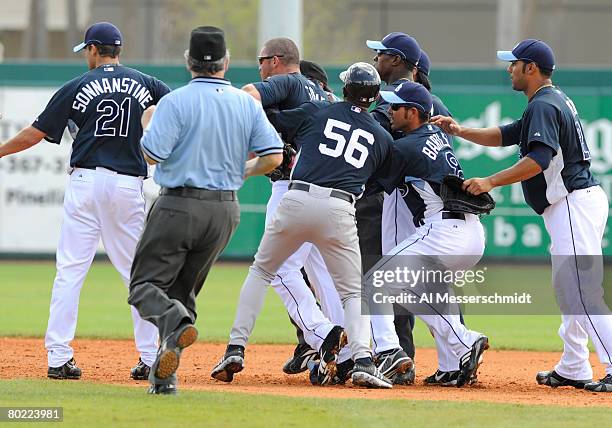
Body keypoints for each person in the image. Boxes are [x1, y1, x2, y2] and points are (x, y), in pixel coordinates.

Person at [432, 38, 612, 393]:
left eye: (514, 63)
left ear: (531, 68)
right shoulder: (547, 101)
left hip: (573, 203)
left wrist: (490, 181)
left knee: (580, 289)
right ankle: (574, 365)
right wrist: (460, 129)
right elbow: (505, 135)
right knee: (568, 288)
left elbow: (538, 161)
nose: (509, 69)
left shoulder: (544, 105)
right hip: (573, 203)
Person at [0, 21, 169, 381]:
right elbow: (179, 111)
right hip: (127, 186)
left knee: (70, 272)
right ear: (118, 50)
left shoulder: (77, 85)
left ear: (93, 50)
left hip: (86, 182)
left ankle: (59, 357)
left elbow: (35, 133)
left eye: (86, 51)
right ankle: (151, 356)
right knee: (138, 275)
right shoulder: (147, 83)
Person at [213, 62, 396, 389]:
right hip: (341, 207)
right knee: (353, 292)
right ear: (375, 97)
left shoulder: (317, 111)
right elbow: (380, 181)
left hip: (296, 200)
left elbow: (271, 122)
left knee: (261, 272)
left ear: (345, 89)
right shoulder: (382, 137)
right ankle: (364, 361)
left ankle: (235, 349)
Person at [127, 26, 283, 395]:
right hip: (224, 210)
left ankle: (174, 322)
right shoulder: (247, 103)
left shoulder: (176, 101)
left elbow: (151, 154)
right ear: (226, 62)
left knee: (144, 286)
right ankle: (164, 380)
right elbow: (273, 155)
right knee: (184, 290)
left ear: (188, 62)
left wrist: (147, 122)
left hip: (179, 203)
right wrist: (241, 172)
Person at [371, 81, 490, 387]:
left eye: (395, 106)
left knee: (375, 282)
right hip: (471, 233)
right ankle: (457, 356)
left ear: (413, 112)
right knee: (418, 292)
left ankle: (388, 352)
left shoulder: (405, 147)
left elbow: (372, 182)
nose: (389, 111)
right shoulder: (436, 133)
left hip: (444, 232)